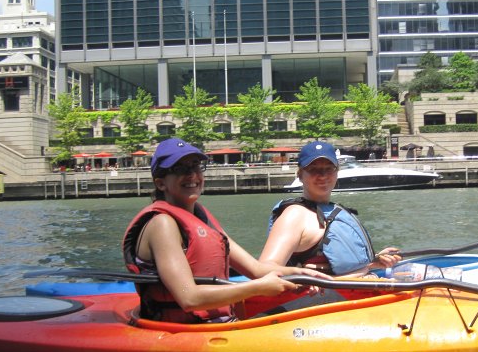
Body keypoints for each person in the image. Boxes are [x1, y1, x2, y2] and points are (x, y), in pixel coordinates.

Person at [122, 138, 327, 323]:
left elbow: (256, 270)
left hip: (219, 322)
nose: (192, 175)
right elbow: (189, 298)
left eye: (196, 166)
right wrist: (259, 288)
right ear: (160, 183)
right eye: (180, 169)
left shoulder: (202, 218)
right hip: (189, 330)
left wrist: (299, 273)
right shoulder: (162, 224)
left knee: (323, 302)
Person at [260, 141, 402, 276]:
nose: (322, 176)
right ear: (300, 175)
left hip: (356, 289)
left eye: (329, 169)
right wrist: (303, 275)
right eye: (313, 169)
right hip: (321, 297)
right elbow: (266, 269)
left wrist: (372, 262)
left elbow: (333, 266)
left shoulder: (331, 209)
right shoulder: (295, 215)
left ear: (336, 172)